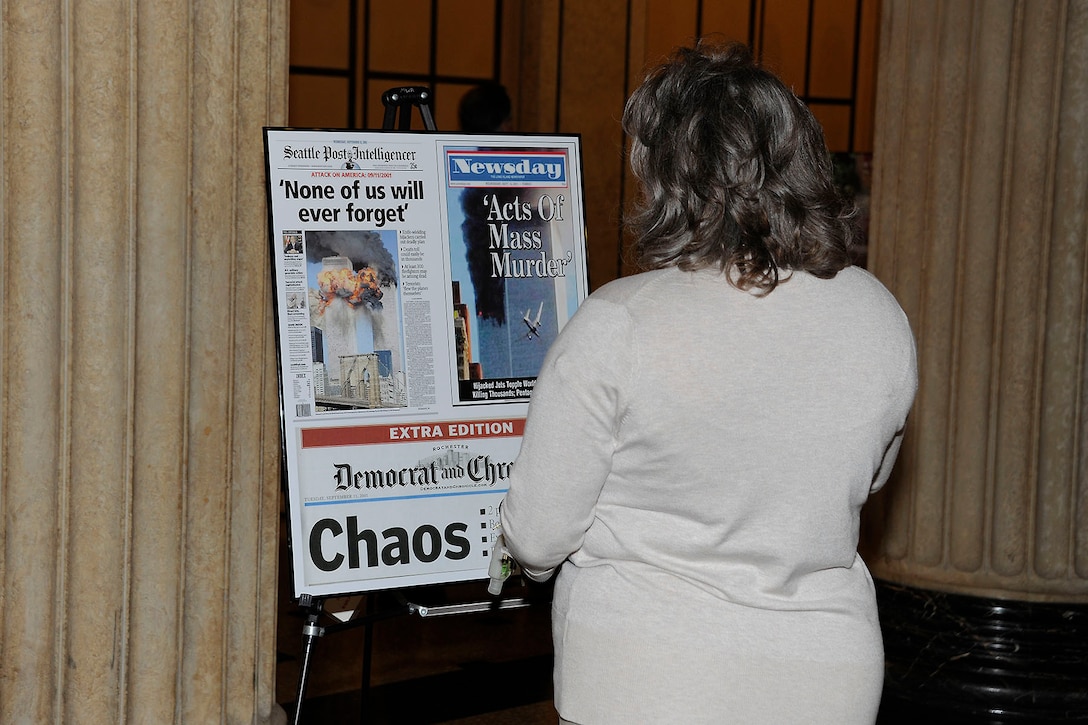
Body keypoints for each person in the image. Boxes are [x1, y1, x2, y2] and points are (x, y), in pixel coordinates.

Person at [499, 41, 917, 725]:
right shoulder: (878, 313)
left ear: (668, 175)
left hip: (646, 677)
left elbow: (538, 535)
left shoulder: (618, 321)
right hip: (824, 676)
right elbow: (865, 479)